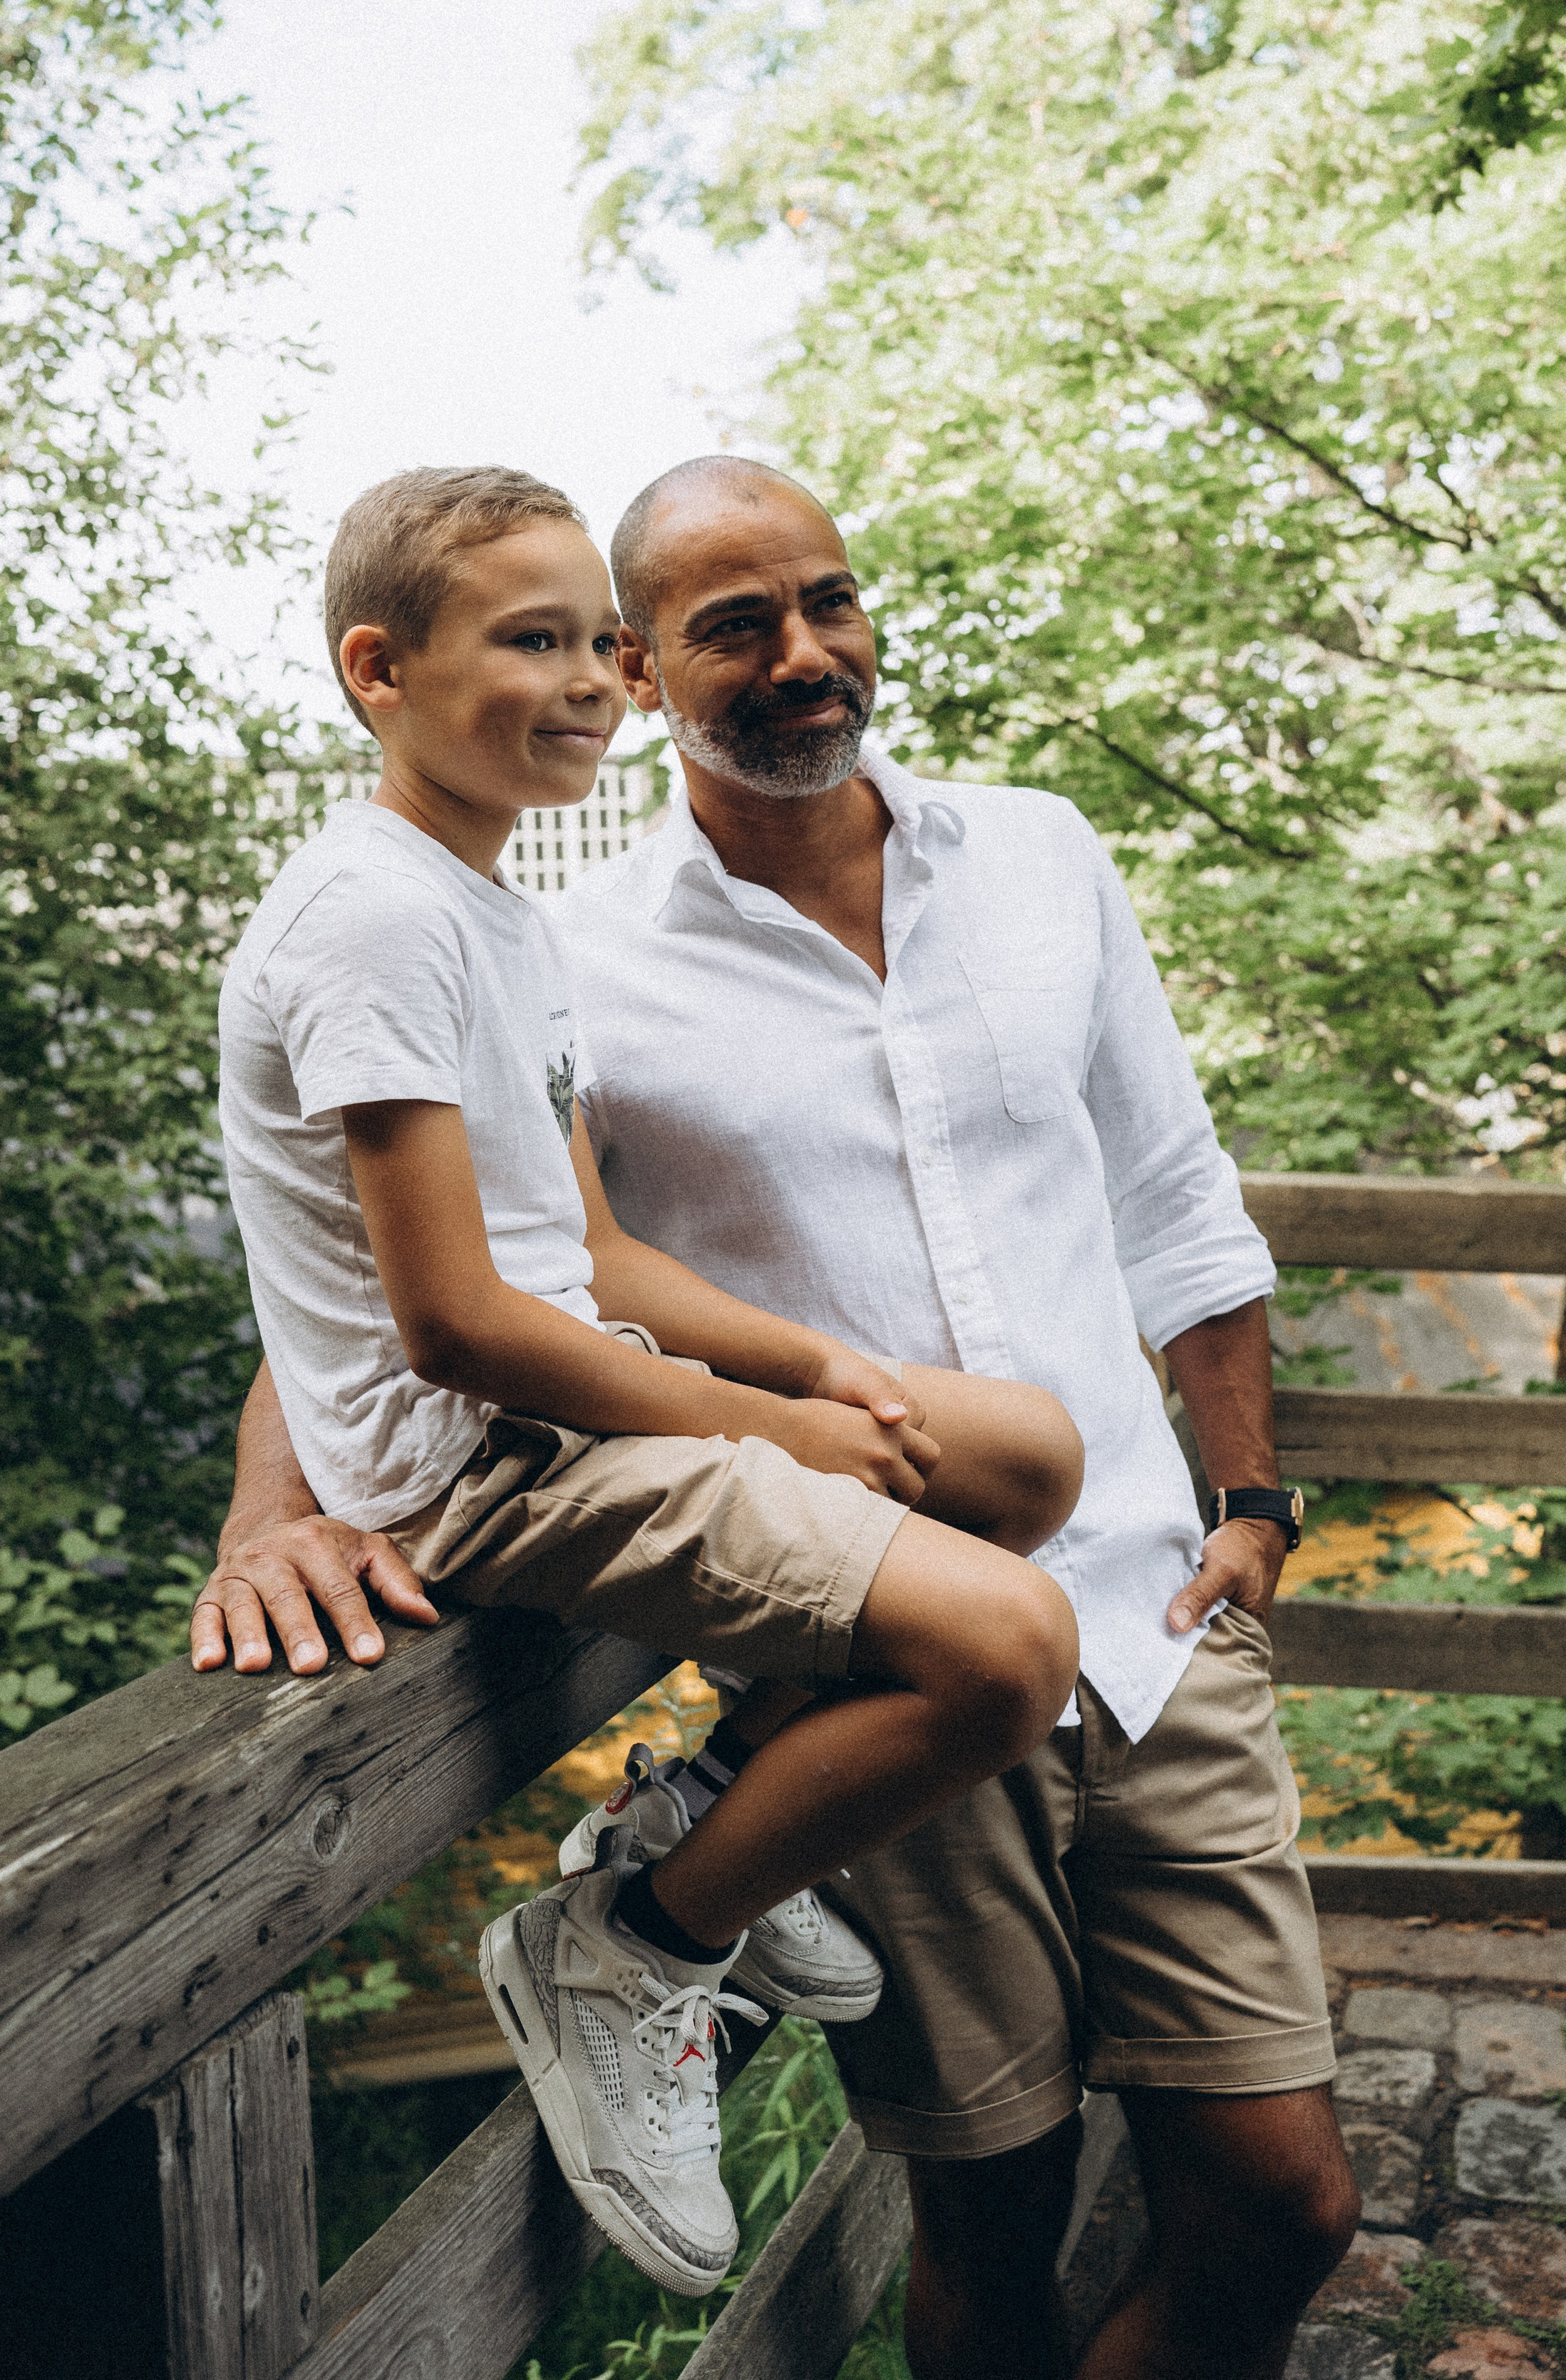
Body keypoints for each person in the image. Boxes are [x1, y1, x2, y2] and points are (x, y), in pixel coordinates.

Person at [201, 455, 1361, 2380]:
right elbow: (389, 1275)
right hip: (887, 1675)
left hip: (1159, 1620)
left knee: (1283, 2200)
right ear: (656, 677)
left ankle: (680, 1866)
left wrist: (1251, 1499)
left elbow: (1179, 1199)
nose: (807, 653)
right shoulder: (555, 945)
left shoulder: (1046, 857)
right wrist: (275, 1516)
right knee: (992, 2206)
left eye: (830, 601)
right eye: (737, 625)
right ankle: (665, 1906)